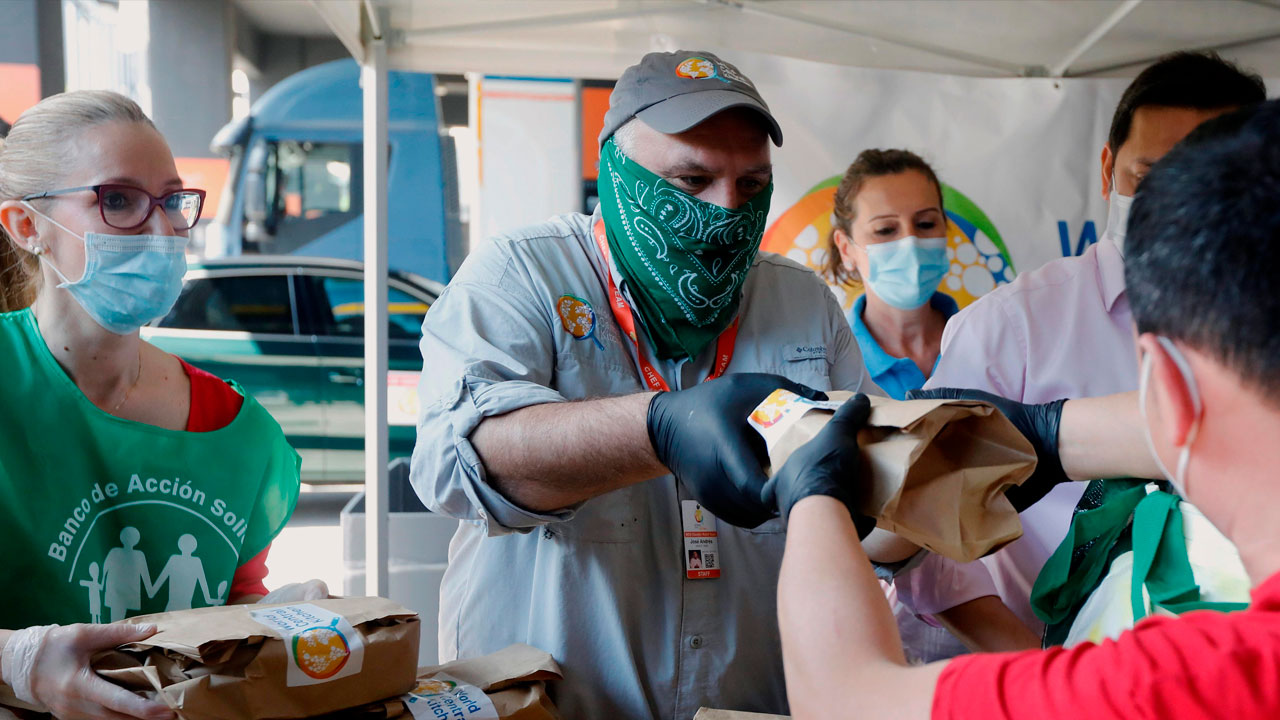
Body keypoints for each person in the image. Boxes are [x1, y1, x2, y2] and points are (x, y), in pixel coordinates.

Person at [768, 98, 1280, 719]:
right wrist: (1056, 435)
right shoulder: (1008, 322)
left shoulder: (1197, 675)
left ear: (1162, 381)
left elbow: (844, 698)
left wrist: (813, 498)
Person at [411, 50, 886, 719]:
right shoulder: (523, 275)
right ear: (617, 170)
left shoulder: (801, 304)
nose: (725, 212)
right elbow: (457, 466)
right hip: (553, 707)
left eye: (751, 187)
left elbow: (868, 517)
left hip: (748, 704)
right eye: (692, 181)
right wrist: (657, 429)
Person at [894, 51, 1267, 648]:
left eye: (1210, 185)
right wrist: (1037, 673)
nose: (1177, 208)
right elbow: (923, 538)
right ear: (1106, 169)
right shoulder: (1012, 328)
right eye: (1148, 180)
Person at [0, 91, 317, 720]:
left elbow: (231, 611)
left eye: (172, 200)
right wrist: (16, 662)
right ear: (27, 227)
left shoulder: (237, 434)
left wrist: (280, 619)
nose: (160, 229)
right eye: (117, 200)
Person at [824, 149, 1028, 659]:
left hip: (1014, 611)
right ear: (847, 248)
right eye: (886, 230)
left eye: (925, 223)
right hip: (880, 638)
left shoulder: (998, 341)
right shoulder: (832, 369)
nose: (910, 243)